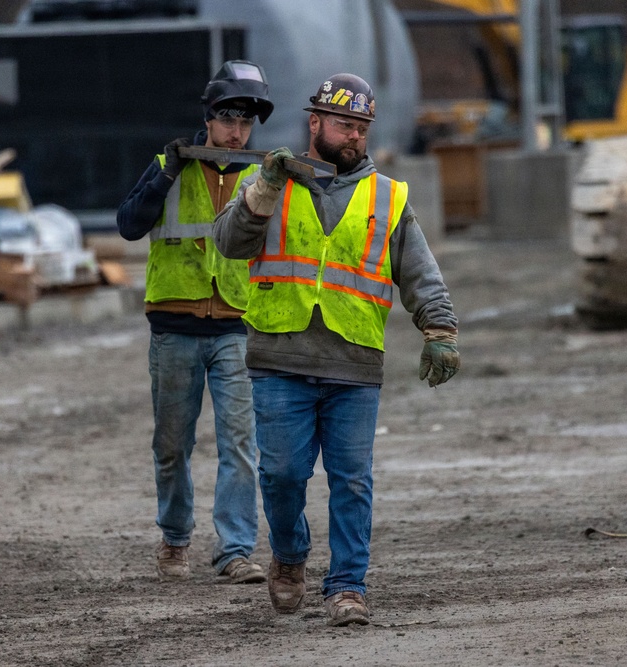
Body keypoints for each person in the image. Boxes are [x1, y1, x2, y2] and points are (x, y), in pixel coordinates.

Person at [212, 73, 460, 625]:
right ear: (315, 123)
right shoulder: (269, 182)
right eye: (345, 125)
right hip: (280, 359)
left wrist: (439, 331)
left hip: (354, 363)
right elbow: (229, 243)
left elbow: (419, 271)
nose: (354, 137)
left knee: (352, 479)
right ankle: (291, 558)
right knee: (279, 475)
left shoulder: (387, 197)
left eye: (362, 128)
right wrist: (265, 189)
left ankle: (347, 586)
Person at [116, 60, 275, 584]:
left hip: (233, 326)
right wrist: (166, 174)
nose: (237, 131)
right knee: (171, 445)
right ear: (209, 117)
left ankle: (234, 549)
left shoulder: (258, 177)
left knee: (240, 445)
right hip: (175, 326)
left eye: (246, 123)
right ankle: (175, 540)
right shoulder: (170, 163)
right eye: (229, 119)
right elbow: (129, 226)